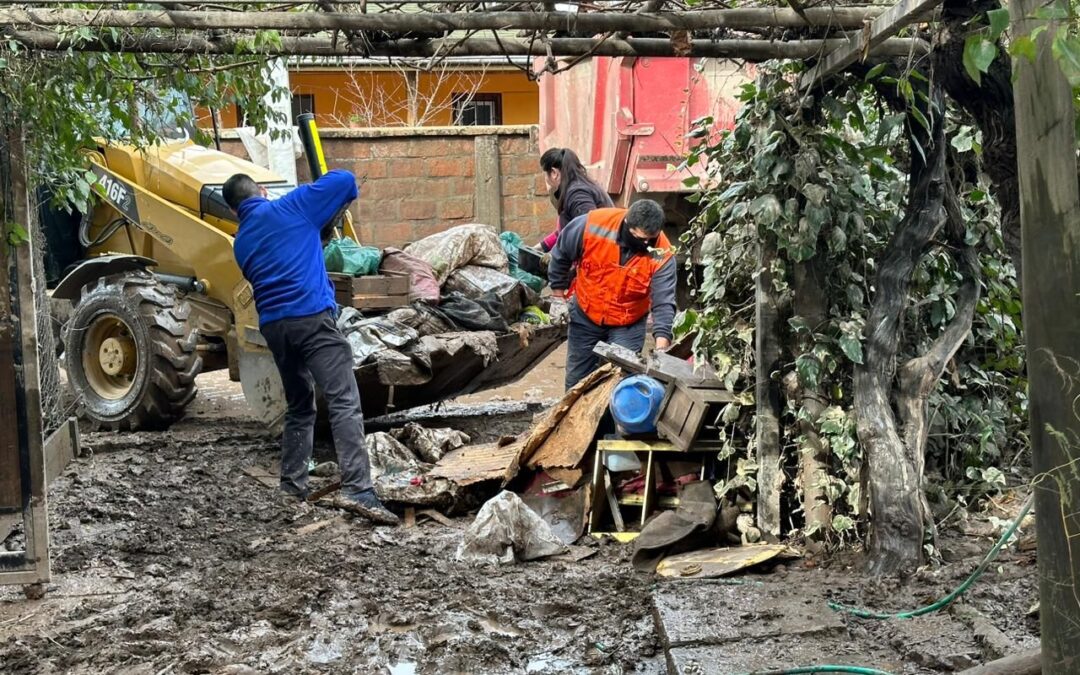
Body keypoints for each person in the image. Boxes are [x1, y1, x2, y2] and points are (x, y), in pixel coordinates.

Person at [226, 170, 399, 526]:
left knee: (300, 403)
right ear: (262, 191)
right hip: (311, 317)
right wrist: (308, 198)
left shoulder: (240, 242)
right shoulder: (291, 208)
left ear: (234, 211)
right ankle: (359, 490)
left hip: (274, 328)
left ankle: (292, 484)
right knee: (343, 400)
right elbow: (346, 181)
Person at [548, 199, 677, 391]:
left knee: (619, 384)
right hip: (586, 315)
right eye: (639, 238)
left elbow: (664, 302)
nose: (645, 244)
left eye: (650, 239)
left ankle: (610, 420)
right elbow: (561, 255)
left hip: (628, 324)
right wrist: (558, 297)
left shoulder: (662, 253)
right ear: (627, 224)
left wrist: (661, 350)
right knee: (577, 383)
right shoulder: (592, 225)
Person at [538, 147, 613, 254]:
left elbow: (586, 232)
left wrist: (554, 256)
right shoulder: (576, 186)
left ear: (554, 173)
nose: (545, 178)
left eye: (545, 173)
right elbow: (565, 231)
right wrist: (539, 247)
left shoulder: (577, 194)